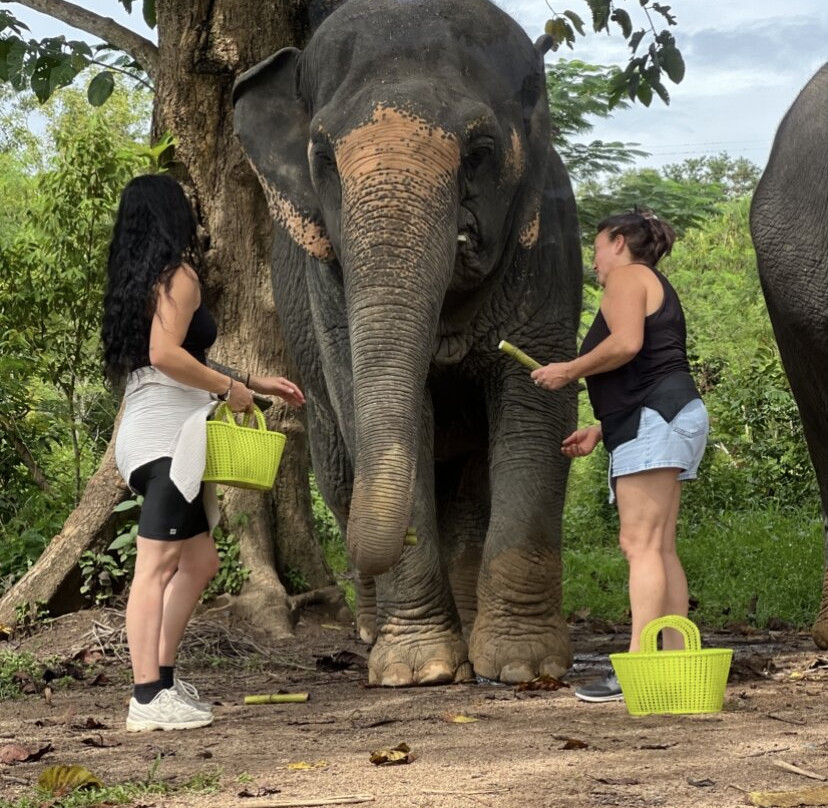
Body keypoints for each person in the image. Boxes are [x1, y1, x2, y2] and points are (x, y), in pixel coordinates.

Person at [102, 173, 305, 731]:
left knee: (199, 560)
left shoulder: (143, 281)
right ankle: (146, 697)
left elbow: (172, 359)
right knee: (158, 563)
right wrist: (228, 389)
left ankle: (162, 681)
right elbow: (166, 355)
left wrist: (251, 383)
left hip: (161, 430)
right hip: (168, 438)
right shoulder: (179, 277)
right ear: (173, 215)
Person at [530, 209, 708, 703]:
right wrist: (601, 427)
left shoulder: (629, 276)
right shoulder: (653, 281)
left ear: (619, 241)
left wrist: (569, 370)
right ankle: (673, 663)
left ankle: (635, 665)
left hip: (656, 417)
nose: (595, 261)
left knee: (640, 545)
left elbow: (627, 345)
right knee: (659, 546)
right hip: (665, 415)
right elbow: (649, 359)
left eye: (597, 248)